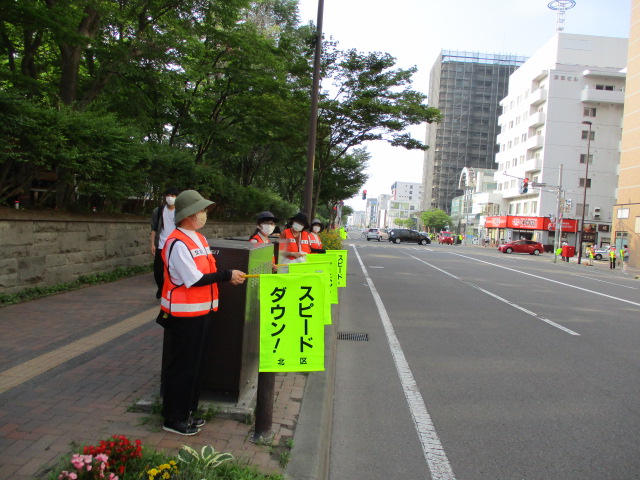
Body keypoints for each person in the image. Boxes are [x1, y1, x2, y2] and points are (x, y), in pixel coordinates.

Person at [159, 190, 246, 436]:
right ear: (188, 214)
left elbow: (210, 270)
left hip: (203, 312)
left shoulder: (198, 238)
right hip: (184, 317)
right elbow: (193, 279)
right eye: (201, 210)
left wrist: (227, 275)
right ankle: (173, 418)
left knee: (196, 366)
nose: (204, 214)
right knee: (182, 367)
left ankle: (187, 411)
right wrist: (227, 275)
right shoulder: (176, 242)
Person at [150, 187, 180, 299]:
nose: (170, 198)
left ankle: (172, 292)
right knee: (158, 272)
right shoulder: (158, 211)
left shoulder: (180, 212)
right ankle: (161, 288)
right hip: (161, 245)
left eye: (173, 196)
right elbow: (153, 228)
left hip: (176, 246)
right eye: (168, 195)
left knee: (173, 272)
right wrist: (152, 244)